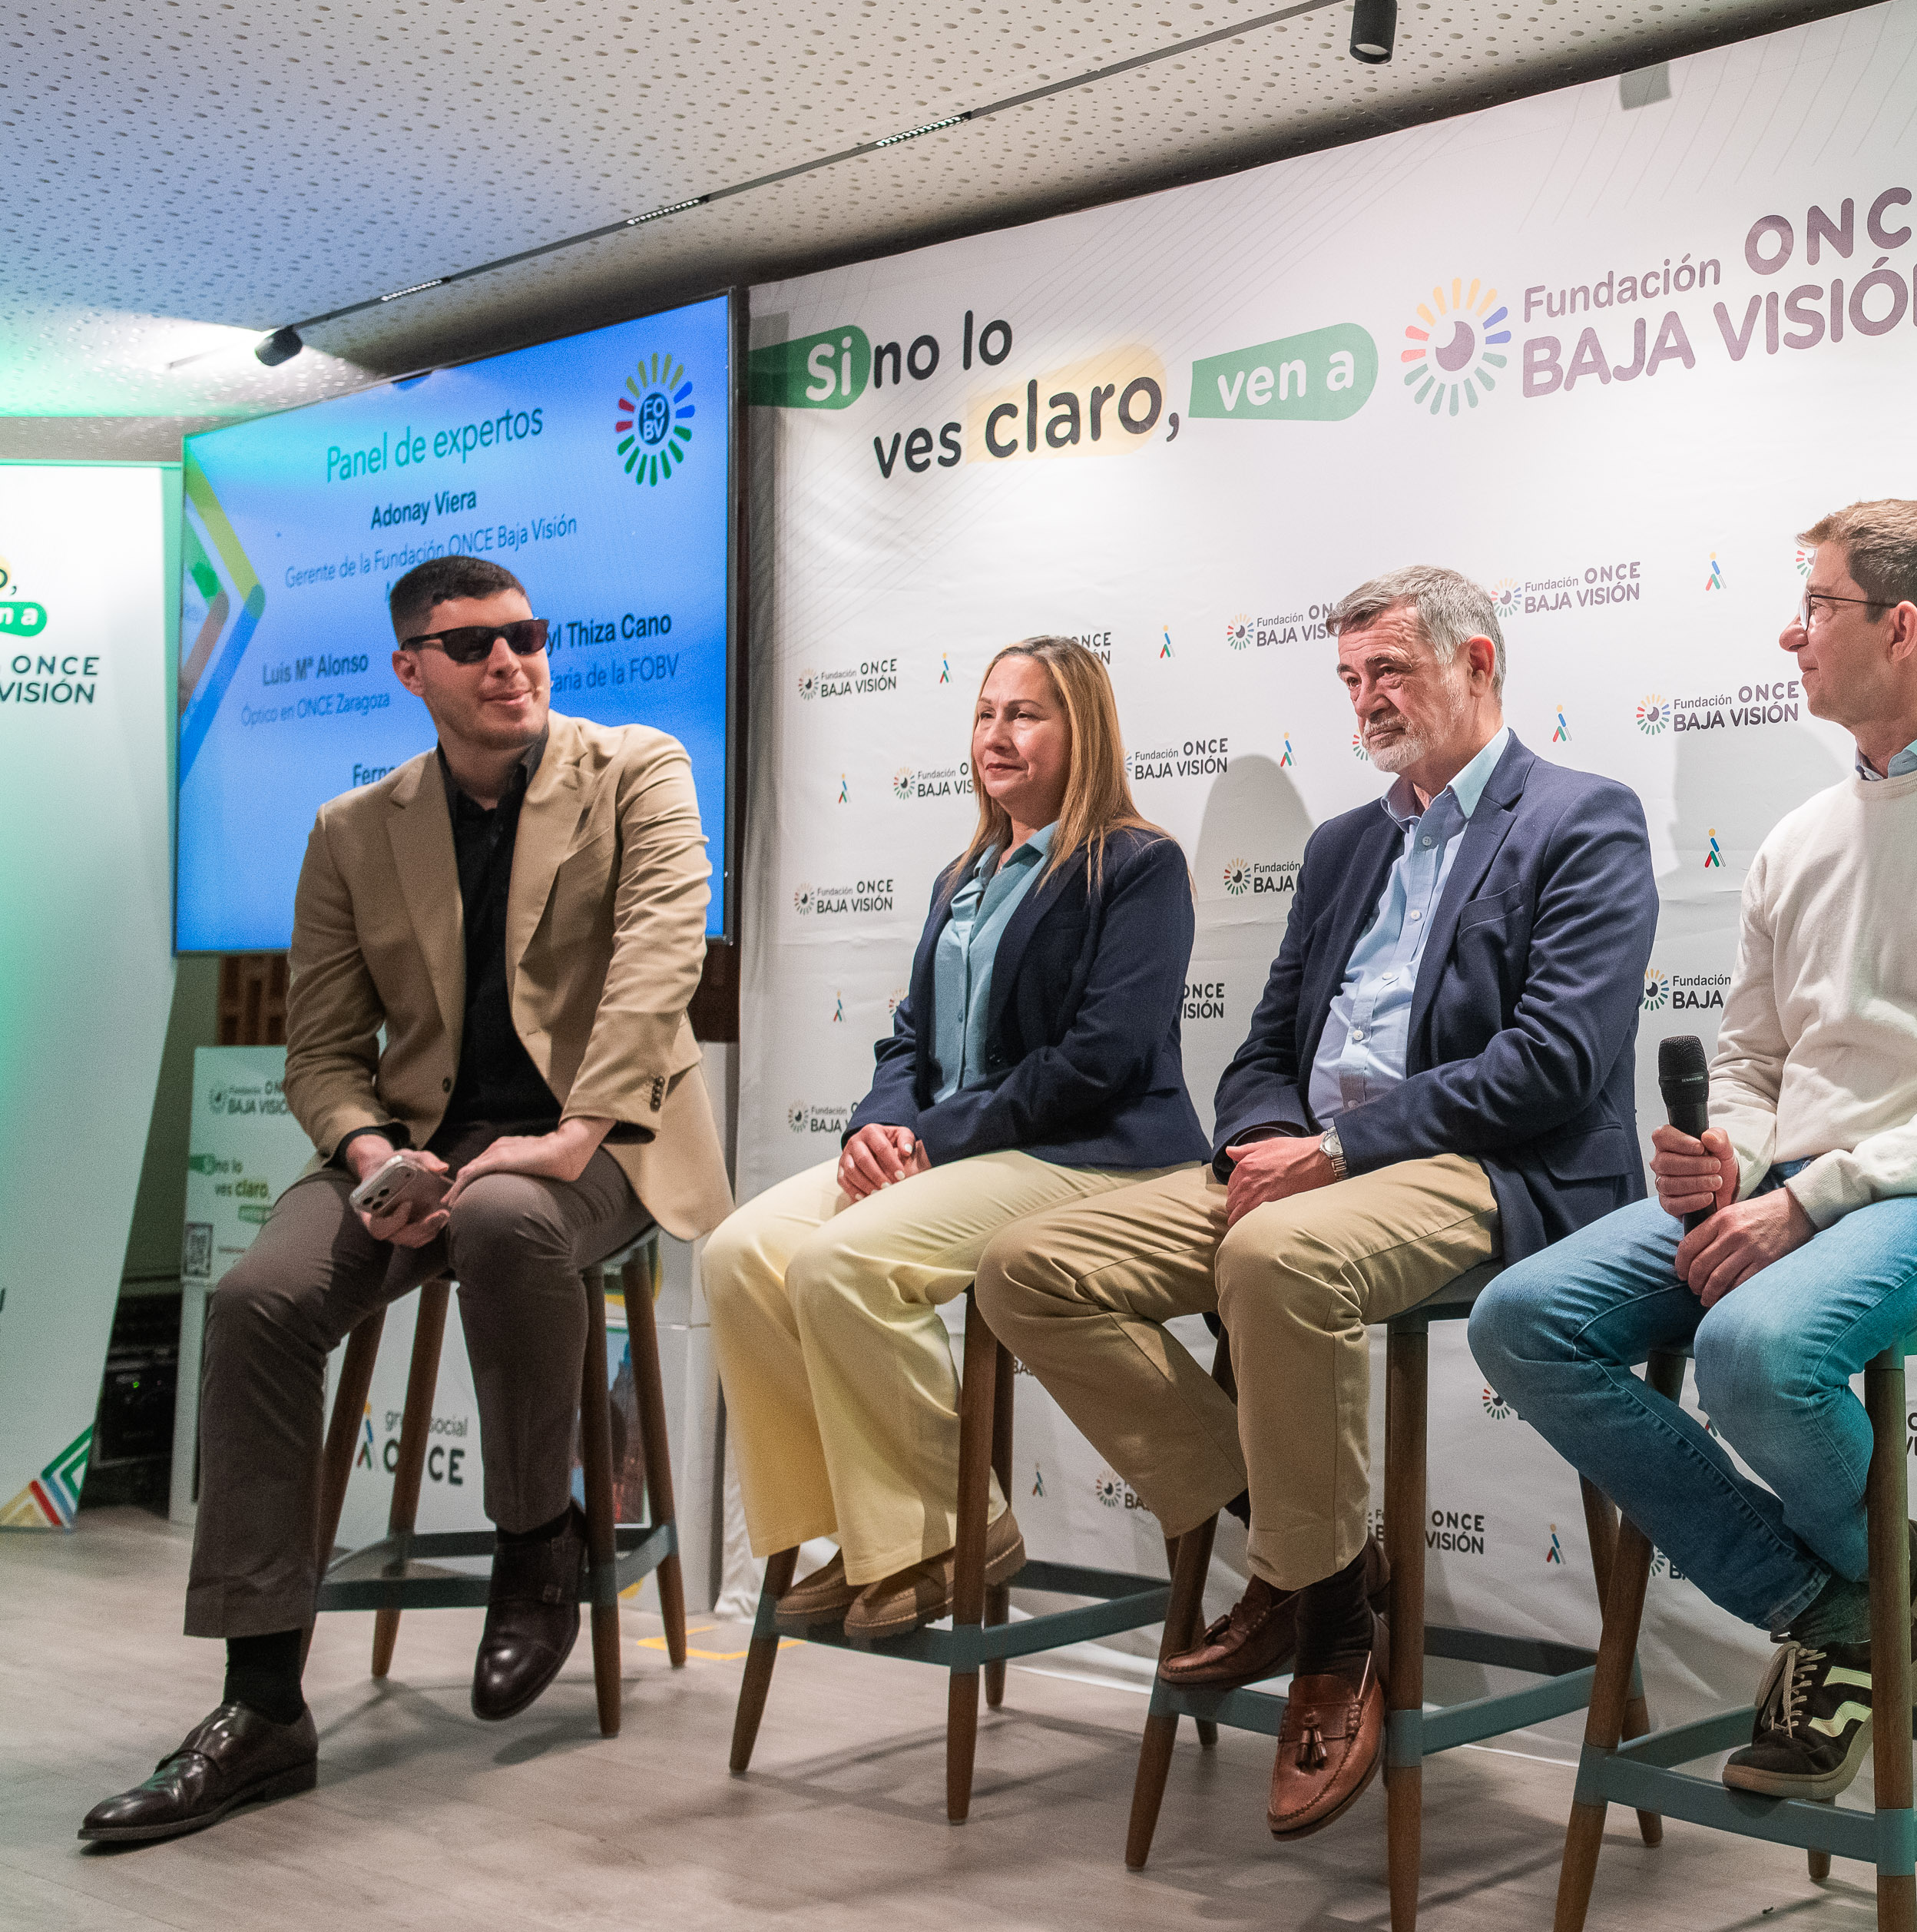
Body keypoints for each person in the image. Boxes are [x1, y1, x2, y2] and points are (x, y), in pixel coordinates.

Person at [975, 566, 1657, 1841]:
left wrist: (1336, 1152)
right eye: (1350, 679)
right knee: (1027, 1265)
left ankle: (1331, 1628)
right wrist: (1261, 1136)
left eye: (1390, 671)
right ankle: (1321, 1555)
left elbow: (1553, 1064)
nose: (1367, 701)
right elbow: (1262, 1043)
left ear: (1481, 664)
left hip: (1486, 1169)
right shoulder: (1348, 842)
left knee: (1281, 1258)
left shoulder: (1582, 818)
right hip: (1312, 1166)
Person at [1471, 501, 1917, 1800]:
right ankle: (1841, 1600)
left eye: (1815, 606)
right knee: (1522, 1316)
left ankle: (1850, 1605)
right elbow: (1759, 1060)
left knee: (1755, 1345)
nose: (1790, 632)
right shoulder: (1798, 838)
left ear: (1902, 626)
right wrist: (1729, 1151)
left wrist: (1804, 1200)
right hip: (1805, 1186)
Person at [82, 555, 729, 1847]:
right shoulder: (350, 829)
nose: (512, 661)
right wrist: (375, 1156)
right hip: (419, 1143)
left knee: (507, 1220)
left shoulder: (636, 768)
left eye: (528, 635)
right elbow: (321, 1050)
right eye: (475, 643)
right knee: (261, 1299)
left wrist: (569, 1134)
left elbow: (665, 954)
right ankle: (262, 1702)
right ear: (412, 669)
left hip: (602, 1141)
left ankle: (538, 1540)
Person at [700, 636, 1207, 1641]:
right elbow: (910, 1037)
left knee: (844, 1261)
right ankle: (860, 1532)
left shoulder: (1138, 865)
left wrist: (930, 1136)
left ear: (1084, 732)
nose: (997, 734)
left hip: (1095, 1157)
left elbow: (1100, 1058)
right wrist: (882, 1121)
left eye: (1026, 714)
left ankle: (951, 1533)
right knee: (739, 1253)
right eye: (985, 713)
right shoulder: (963, 873)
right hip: (959, 1147)